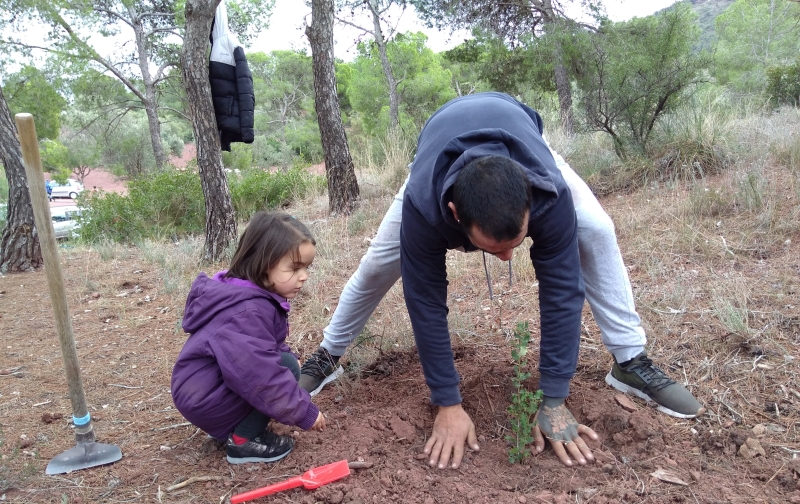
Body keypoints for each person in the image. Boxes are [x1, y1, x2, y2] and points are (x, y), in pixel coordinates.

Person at [299, 92, 704, 470]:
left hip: (522, 146)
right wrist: (447, 402)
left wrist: (554, 398)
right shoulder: (424, 208)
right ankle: (328, 355)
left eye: (515, 243)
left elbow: (562, 293)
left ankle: (631, 361)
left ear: (531, 200)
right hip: (437, 156)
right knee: (377, 265)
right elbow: (425, 302)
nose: (509, 258)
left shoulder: (548, 192)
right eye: (494, 248)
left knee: (596, 228)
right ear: (455, 215)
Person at [171, 212, 326, 464]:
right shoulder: (246, 312)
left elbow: (264, 343)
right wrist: (303, 411)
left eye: (306, 267)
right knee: (284, 369)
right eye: (295, 267)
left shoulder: (244, 294)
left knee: (286, 362)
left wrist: (287, 354)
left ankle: (233, 425)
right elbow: (261, 376)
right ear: (264, 265)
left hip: (201, 392)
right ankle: (243, 442)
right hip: (205, 399)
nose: (304, 276)